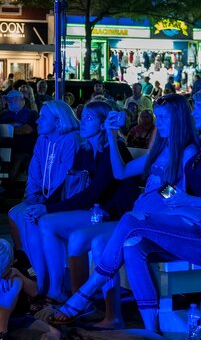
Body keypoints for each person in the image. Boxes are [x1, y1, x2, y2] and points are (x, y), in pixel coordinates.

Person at [48, 87, 201, 333]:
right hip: (195, 227)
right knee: (133, 245)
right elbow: (172, 186)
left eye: (199, 106)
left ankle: (83, 294)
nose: (194, 111)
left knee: (130, 220)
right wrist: (161, 194)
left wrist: (185, 200)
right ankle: (152, 333)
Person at [30, 100, 134, 306]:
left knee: (48, 222)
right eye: (82, 116)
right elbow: (70, 183)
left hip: (111, 213)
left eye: (89, 118)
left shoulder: (114, 149)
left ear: (104, 123)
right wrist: (44, 204)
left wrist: (48, 208)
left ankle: (60, 290)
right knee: (40, 220)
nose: (82, 123)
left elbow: (93, 193)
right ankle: (54, 286)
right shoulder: (86, 149)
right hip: (93, 209)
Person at [7, 100, 79, 289]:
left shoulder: (70, 139)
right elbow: (34, 171)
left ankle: (40, 280)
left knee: (31, 217)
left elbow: (66, 177)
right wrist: (33, 195)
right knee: (16, 213)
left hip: (62, 200)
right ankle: (31, 268)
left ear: (58, 120)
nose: (38, 121)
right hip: (44, 197)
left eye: (43, 117)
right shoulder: (43, 140)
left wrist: (45, 202)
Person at [0, 90, 37, 192]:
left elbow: (27, 130)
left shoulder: (31, 114)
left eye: (14, 98)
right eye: (8, 99)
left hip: (25, 149)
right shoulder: (3, 115)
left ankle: (9, 190)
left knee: (18, 159)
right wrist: (16, 128)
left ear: (22, 100)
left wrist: (8, 130)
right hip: (4, 149)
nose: (10, 101)